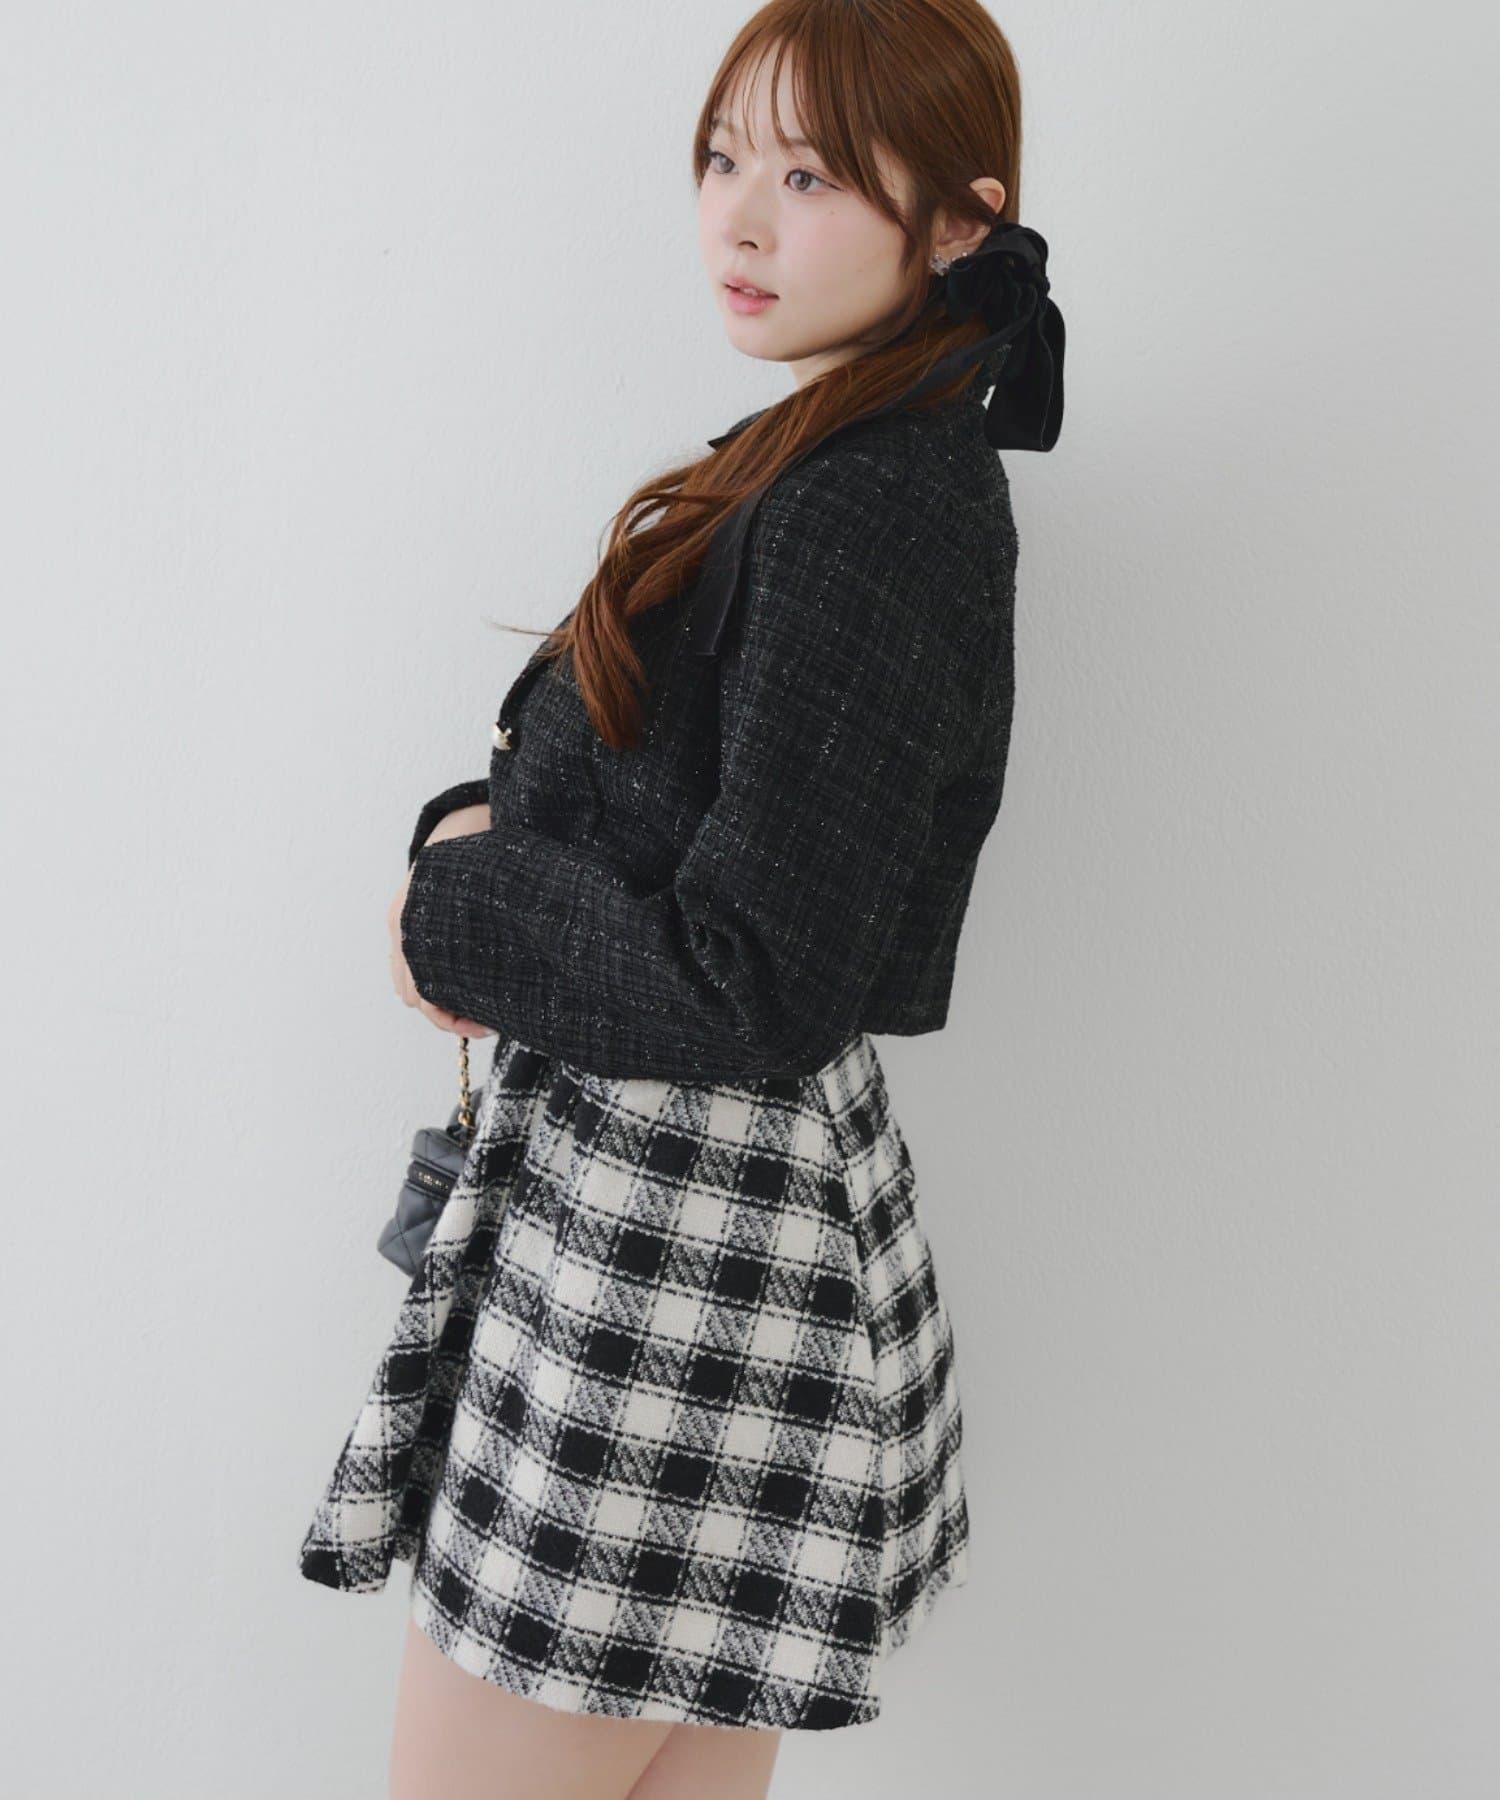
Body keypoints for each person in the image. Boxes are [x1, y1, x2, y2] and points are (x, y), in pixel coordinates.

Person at [298, 3, 1064, 1794]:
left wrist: (451, 915)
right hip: (688, 1247)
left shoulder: (874, 500)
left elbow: (754, 980)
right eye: (725, 159)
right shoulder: (845, 454)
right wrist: (479, 826)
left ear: (963, 220)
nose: (739, 217)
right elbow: (700, 809)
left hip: (680, 1267)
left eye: (810, 177)